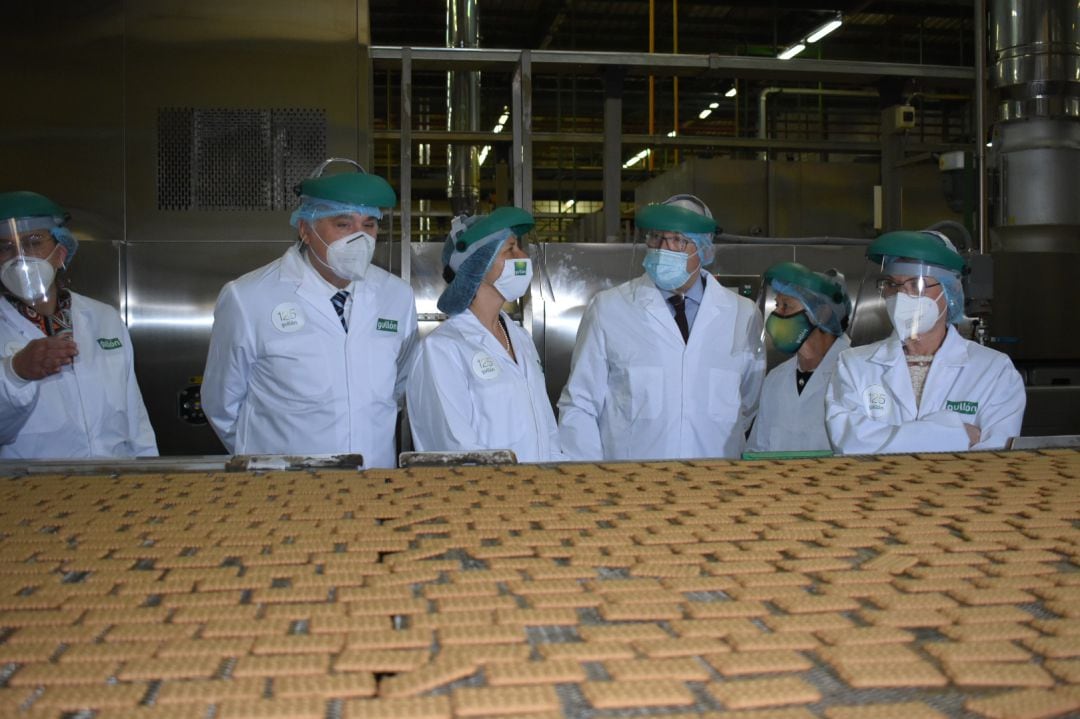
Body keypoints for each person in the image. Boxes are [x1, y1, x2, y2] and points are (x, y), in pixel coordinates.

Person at [202, 162, 418, 467]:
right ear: (305, 229)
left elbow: (400, 386)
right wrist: (266, 462)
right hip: (283, 488)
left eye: (369, 225)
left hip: (372, 485)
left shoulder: (396, 296)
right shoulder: (248, 297)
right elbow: (221, 405)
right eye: (343, 225)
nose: (360, 239)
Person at [557, 194, 765, 460]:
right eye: (657, 238)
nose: (664, 249)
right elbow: (580, 404)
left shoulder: (743, 315)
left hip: (715, 484)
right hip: (631, 485)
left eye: (678, 240)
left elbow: (748, 403)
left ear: (704, 249)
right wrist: (593, 479)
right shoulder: (609, 309)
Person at [826, 229, 1025, 454]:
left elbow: (995, 458)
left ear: (949, 291)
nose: (901, 296)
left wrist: (885, 437)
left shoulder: (994, 371)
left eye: (916, 285)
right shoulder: (854, 365)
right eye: (892, 284)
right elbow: (850, 444)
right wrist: (955, 435)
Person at [0, 191, 157, 458]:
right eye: (5, 247)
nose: (20, 257)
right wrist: (15, 374)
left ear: (61, 252)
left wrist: (147, 471)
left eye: (33, 242)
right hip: (27, 489)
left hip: (114, 480)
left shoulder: (104, 317)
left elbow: (135, 418)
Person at [406, 208, 563, 462]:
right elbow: (454, 448)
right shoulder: (442, 350)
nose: (522, 257)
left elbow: (546, 427)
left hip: (536, 491)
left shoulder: (520, 338)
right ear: (478, 263)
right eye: (510, 249)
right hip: (486, 496)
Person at [747, 262, 852, 453]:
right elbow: (757, 450)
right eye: (777, 305)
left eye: (786, 306)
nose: (776, 314)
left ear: (821, 313)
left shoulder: (856, 374)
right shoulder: (775, 379)